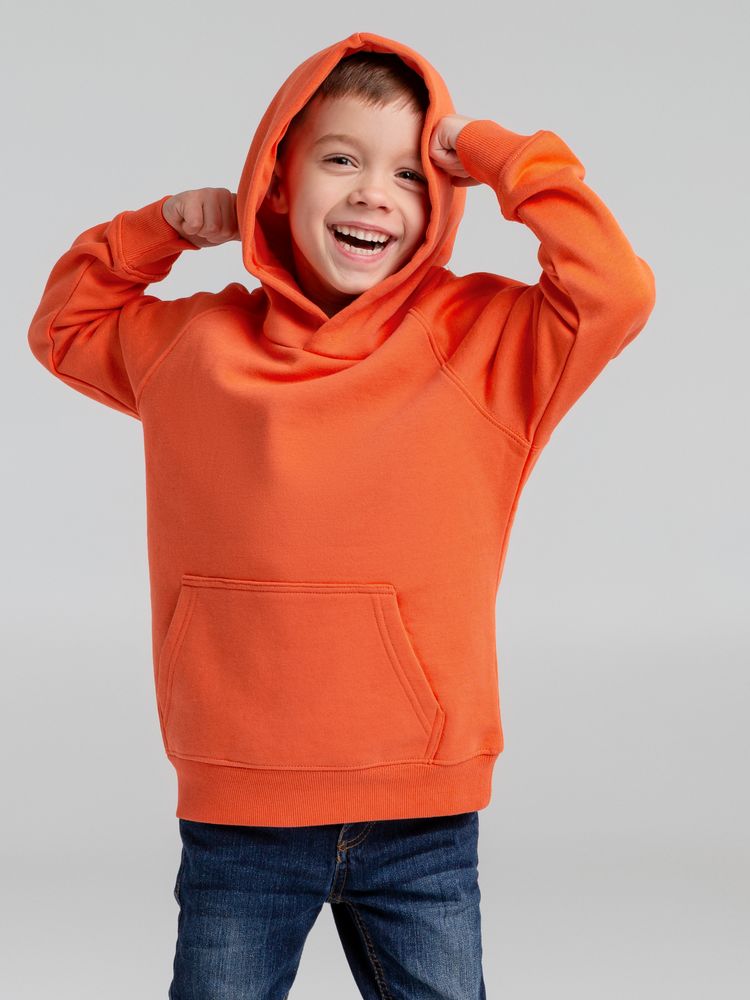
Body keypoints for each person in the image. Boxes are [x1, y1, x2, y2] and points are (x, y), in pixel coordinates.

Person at [26, 29, 656, 1000]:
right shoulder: (194, 345)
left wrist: (488, 150)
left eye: (410, 175)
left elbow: (614, 285)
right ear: (275, 182)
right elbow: (63, 324)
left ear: (441, 203)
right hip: (240, 807)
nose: (374, 193)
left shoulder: (483, 342)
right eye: (341, 160)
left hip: (420, 817)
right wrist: (165, 227)